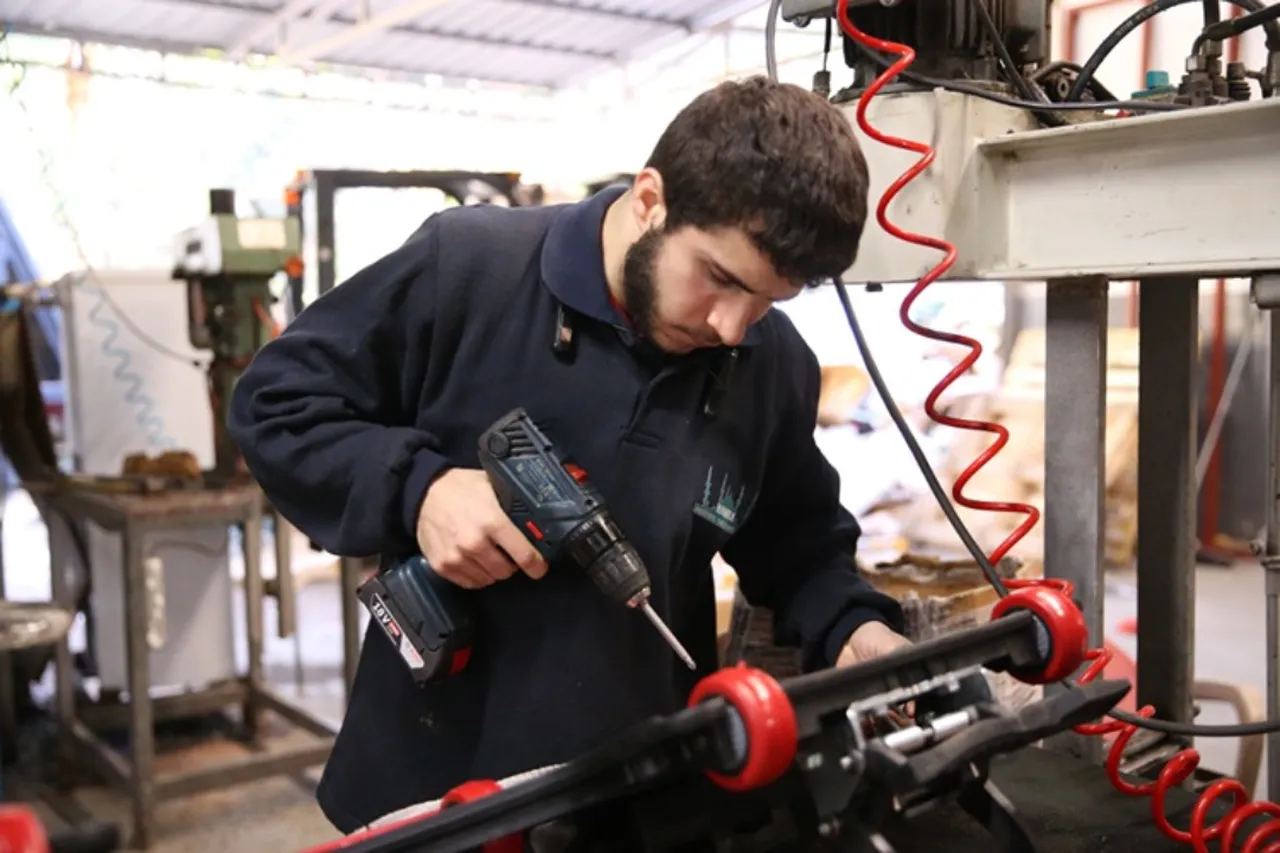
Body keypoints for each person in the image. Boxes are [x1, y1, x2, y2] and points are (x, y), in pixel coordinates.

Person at [227, 74, 909, 834]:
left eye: (767, 301)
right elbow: (277, 404)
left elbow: (796, 540)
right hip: (433, 793)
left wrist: (854, 626)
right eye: (718, 278)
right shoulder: (470, 269)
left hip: (639, 796)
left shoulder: (771, 364)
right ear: (651, 199)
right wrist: (418, 492)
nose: (730, 326)